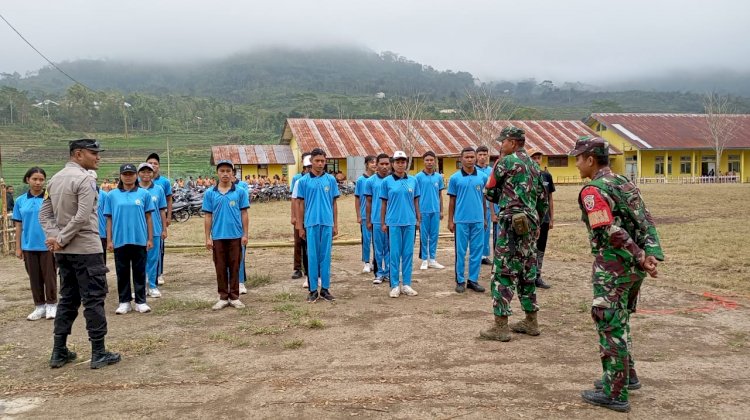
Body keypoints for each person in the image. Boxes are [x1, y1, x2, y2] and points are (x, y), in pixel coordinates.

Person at [569, 136, 664, 413]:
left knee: (609, 324)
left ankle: (615, 393)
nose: (575, 164)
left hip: (614, 267)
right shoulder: (624, 182)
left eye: (578, 158)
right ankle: (626, 376)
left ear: (590, 159)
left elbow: (610, 231)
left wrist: (638, 255)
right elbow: (646, 219)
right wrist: (650, 254)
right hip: (634, 269)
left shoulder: (592, 191)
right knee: (621, 320)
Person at [39, 138, 121, 369]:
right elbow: (83, 216)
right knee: (93, 299)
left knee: (68, 299)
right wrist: (62, 239)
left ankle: (59, 351)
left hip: (64, 253)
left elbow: (44, 215)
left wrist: (56, 238)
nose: (98, 157)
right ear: (78, 154)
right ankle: (98, 352)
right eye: (93, 153)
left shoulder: (54, 180)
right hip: (86, 249)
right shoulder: (85, 180)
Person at [480, 126, 547, 342]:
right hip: (531, 223)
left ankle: (501, 326)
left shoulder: (505, 162)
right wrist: (535, 219)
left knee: (503, 273)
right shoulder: (535, 167)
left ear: (512, 142)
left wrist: (504, 198)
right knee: (527, 271)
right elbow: (542, 200)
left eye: (503, 141)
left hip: (510, 223)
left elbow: (489, 190)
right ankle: (531, 321)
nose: (501, 145)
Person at [105, 164, 155, 315]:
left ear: (136, 176)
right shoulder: (112, 195)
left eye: (131, 174)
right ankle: (124, 301)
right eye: (125, 174)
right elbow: (109, 219)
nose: (128, 176)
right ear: (120, 176)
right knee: (122, 272)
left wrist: (150, 238)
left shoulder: (144, 194)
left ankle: (141, 301)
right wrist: (109, 240)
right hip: (120, 239)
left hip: (139, 239)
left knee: (139, 271)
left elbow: (149, 218)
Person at [202, 160, 250, 310]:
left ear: (232, 173)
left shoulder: (240, 192)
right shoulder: (210, 193)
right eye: (222, 171)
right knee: (220, 267)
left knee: (235, 266)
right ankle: (223, 296)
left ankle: (234, 296)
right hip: (218, 237)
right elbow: (208, 216)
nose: (225, 174)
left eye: (228, 171)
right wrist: (207, 238)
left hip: (236, 236)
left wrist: (245, 234)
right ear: (217, 173)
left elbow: (244, 213)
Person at [13, 167, 58, 321]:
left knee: (50, 276)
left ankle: (52, 304)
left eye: (41, 179)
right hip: (29, 245)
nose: (38, 182)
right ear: (28, 180)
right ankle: (39, 306)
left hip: (48, 244)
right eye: (35, 179)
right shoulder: (20, 201)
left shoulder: (50, 198)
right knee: (34, 277)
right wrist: (18, 247)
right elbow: (18, 226)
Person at [296, 148, 339, 302]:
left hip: (327, 223)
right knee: (312, 256)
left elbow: (334, 203)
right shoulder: (303, 181)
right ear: (311, 162)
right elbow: (300, 205)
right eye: (317, 161)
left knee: (325, 256)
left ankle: (325, 289)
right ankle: (313, 290)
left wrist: (335, 224)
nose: (320, 164)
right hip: (311, 223)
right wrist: (300, 227)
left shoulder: (331, 180)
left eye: (322, 161)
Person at [447, 147, 488, 294]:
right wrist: (450, 221)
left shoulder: (482, 177)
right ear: (461, 159)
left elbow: (483, 199)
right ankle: (460, 280)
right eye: (467, 157)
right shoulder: (455, 178)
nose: (470, 159)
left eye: (472, 157)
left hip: (477, 220)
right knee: (461, 252)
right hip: (461, 221)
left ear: (475, 158)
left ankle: (473, 280)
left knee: (477, 250)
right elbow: (452, 200)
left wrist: (484, 218)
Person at [380, 151, 421, 298]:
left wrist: (418, 219)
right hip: (393, 222)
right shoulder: (387, 182)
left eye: (403, 161)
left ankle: (407, 284)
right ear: (393, 163)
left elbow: (416, 201)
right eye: (397, 161)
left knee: (408, 253)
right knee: (395, 254)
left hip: (409, 222)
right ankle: (395, 285)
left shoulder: (413, 180)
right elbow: (383, 203)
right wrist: (383, 222)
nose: (400, 164)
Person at [138, 163, 168, 299]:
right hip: (138, 230)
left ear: (152, 173)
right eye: (143, 172)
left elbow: (162, 210)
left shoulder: (158, 189)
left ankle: (152, 286)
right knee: (139, 259)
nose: (146, 174)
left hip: (155, 229)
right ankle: (141, 286)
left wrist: (164, 229)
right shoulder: (133, 189)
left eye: (148, 172)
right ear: (138, 174)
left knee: (153, 259)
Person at [529, 149, 555, 289]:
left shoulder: (546, 176)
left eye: (539, 157)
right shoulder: (526, 175)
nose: (537, 160)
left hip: (544, 218)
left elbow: (550, 198)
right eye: (534, 157)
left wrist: (551, 218)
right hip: (530, 219)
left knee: (541, 248)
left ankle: (537, 275)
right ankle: (528, 275)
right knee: (529, 247)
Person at [416, 151, 445, 270]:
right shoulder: (418, 177)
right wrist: (417, 214)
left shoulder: (438, 177)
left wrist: (441, 210)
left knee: (434, 235)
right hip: (423, 211)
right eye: (427, 160)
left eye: (431, 160)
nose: (429, 162)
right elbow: (416, 197)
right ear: (423, 161)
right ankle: (424, 259)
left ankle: (432, 259)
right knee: (424, 236)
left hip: (435, 211)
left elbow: (440, 195)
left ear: (435, 161)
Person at [365, 153, 392, 285]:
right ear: (377, 165)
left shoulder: (393, 180)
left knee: (390, 247)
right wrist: (368, 220)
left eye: (387, 164)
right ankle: (378, 273)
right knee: (378, 248)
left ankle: (388, 272)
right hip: (376, 220)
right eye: (382, 164)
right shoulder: (370, 182)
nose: (384, 166)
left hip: (392, 220)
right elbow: (368, 202)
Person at [146, 153, 172, 286]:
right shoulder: (139, 183)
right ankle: (146, 276)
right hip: (143, 224)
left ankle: (159, 273)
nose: (153, 165)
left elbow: (168, 200)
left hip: (157, 222)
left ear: (159, 166)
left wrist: (168, 216)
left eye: (155, 163)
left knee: (159, 249)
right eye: (150, 163)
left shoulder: (164, 182)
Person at [291, 154, 312, 288]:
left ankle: (313, 271)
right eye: (308, 166)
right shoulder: (298, 180)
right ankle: (298, 268)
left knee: (312, 246)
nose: (311, 169)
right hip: (301, 217)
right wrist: (294, 217)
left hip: (312, 218)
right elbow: (294, 199)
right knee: (300, 243)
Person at [354, 155, 377, 274]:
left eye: (375, 162)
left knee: (378, 240)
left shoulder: (380, 179)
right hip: (365, 215)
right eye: (372, 162)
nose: (374, 164)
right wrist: (358, 215)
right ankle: (366, 262)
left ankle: (376, 262)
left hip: (378, 216)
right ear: (367, 164)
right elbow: (357, 199)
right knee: (366, 239)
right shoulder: (360, 181)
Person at [475, 146, 494, 265]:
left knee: (486, 231)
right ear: (477, 155)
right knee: (476, 231)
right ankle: (475, 254)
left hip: (488, 205)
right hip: (476, 206)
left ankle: (483, 255)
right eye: (480, 154)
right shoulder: (473, 170)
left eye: (484, 154)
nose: (482, 157)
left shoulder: (491, 170)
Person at [90, 170, 109, 263]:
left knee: (101, 260)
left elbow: (108, 215)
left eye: (92, 179)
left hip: (100, 232)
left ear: (96, 180)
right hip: (86, 233)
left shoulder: (104, 195)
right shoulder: (80, 194)